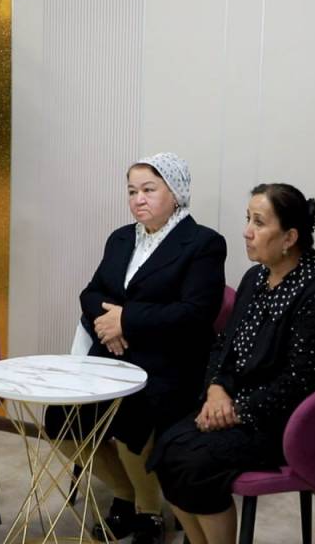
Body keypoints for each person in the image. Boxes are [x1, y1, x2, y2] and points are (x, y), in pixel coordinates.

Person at [151, 184, 315, 544]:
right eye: (248, 219)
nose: (246, 231)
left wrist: (236, 410)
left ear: (289, 237)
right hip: (236, 405)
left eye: (258, 222)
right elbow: (223, 344)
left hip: (287, 422)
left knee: (194, 464)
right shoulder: (256, 277)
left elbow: (300, 382)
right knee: (166, 448)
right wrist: (216, 390)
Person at [48, 152, 226, 544]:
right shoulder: (121, 238)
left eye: (149, 190)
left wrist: (126, 320)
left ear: (175, 193)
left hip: (170, 362)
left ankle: (149, 511)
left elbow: (196, 314)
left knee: (131, 414)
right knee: (60, 419)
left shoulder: (203, 243)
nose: (138, 199)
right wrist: (110, 325)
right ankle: (124, 493)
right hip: (113, 355)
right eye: (132, 191)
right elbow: (91, 293)